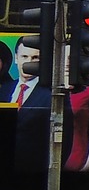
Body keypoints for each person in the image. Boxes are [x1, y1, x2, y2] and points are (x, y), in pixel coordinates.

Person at [2, 41, 51, 175]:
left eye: (35, 58)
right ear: (16, 58)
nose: (29, 62)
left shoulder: (51, 94)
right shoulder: (4, 89)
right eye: (25, 57)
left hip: (34, 171)